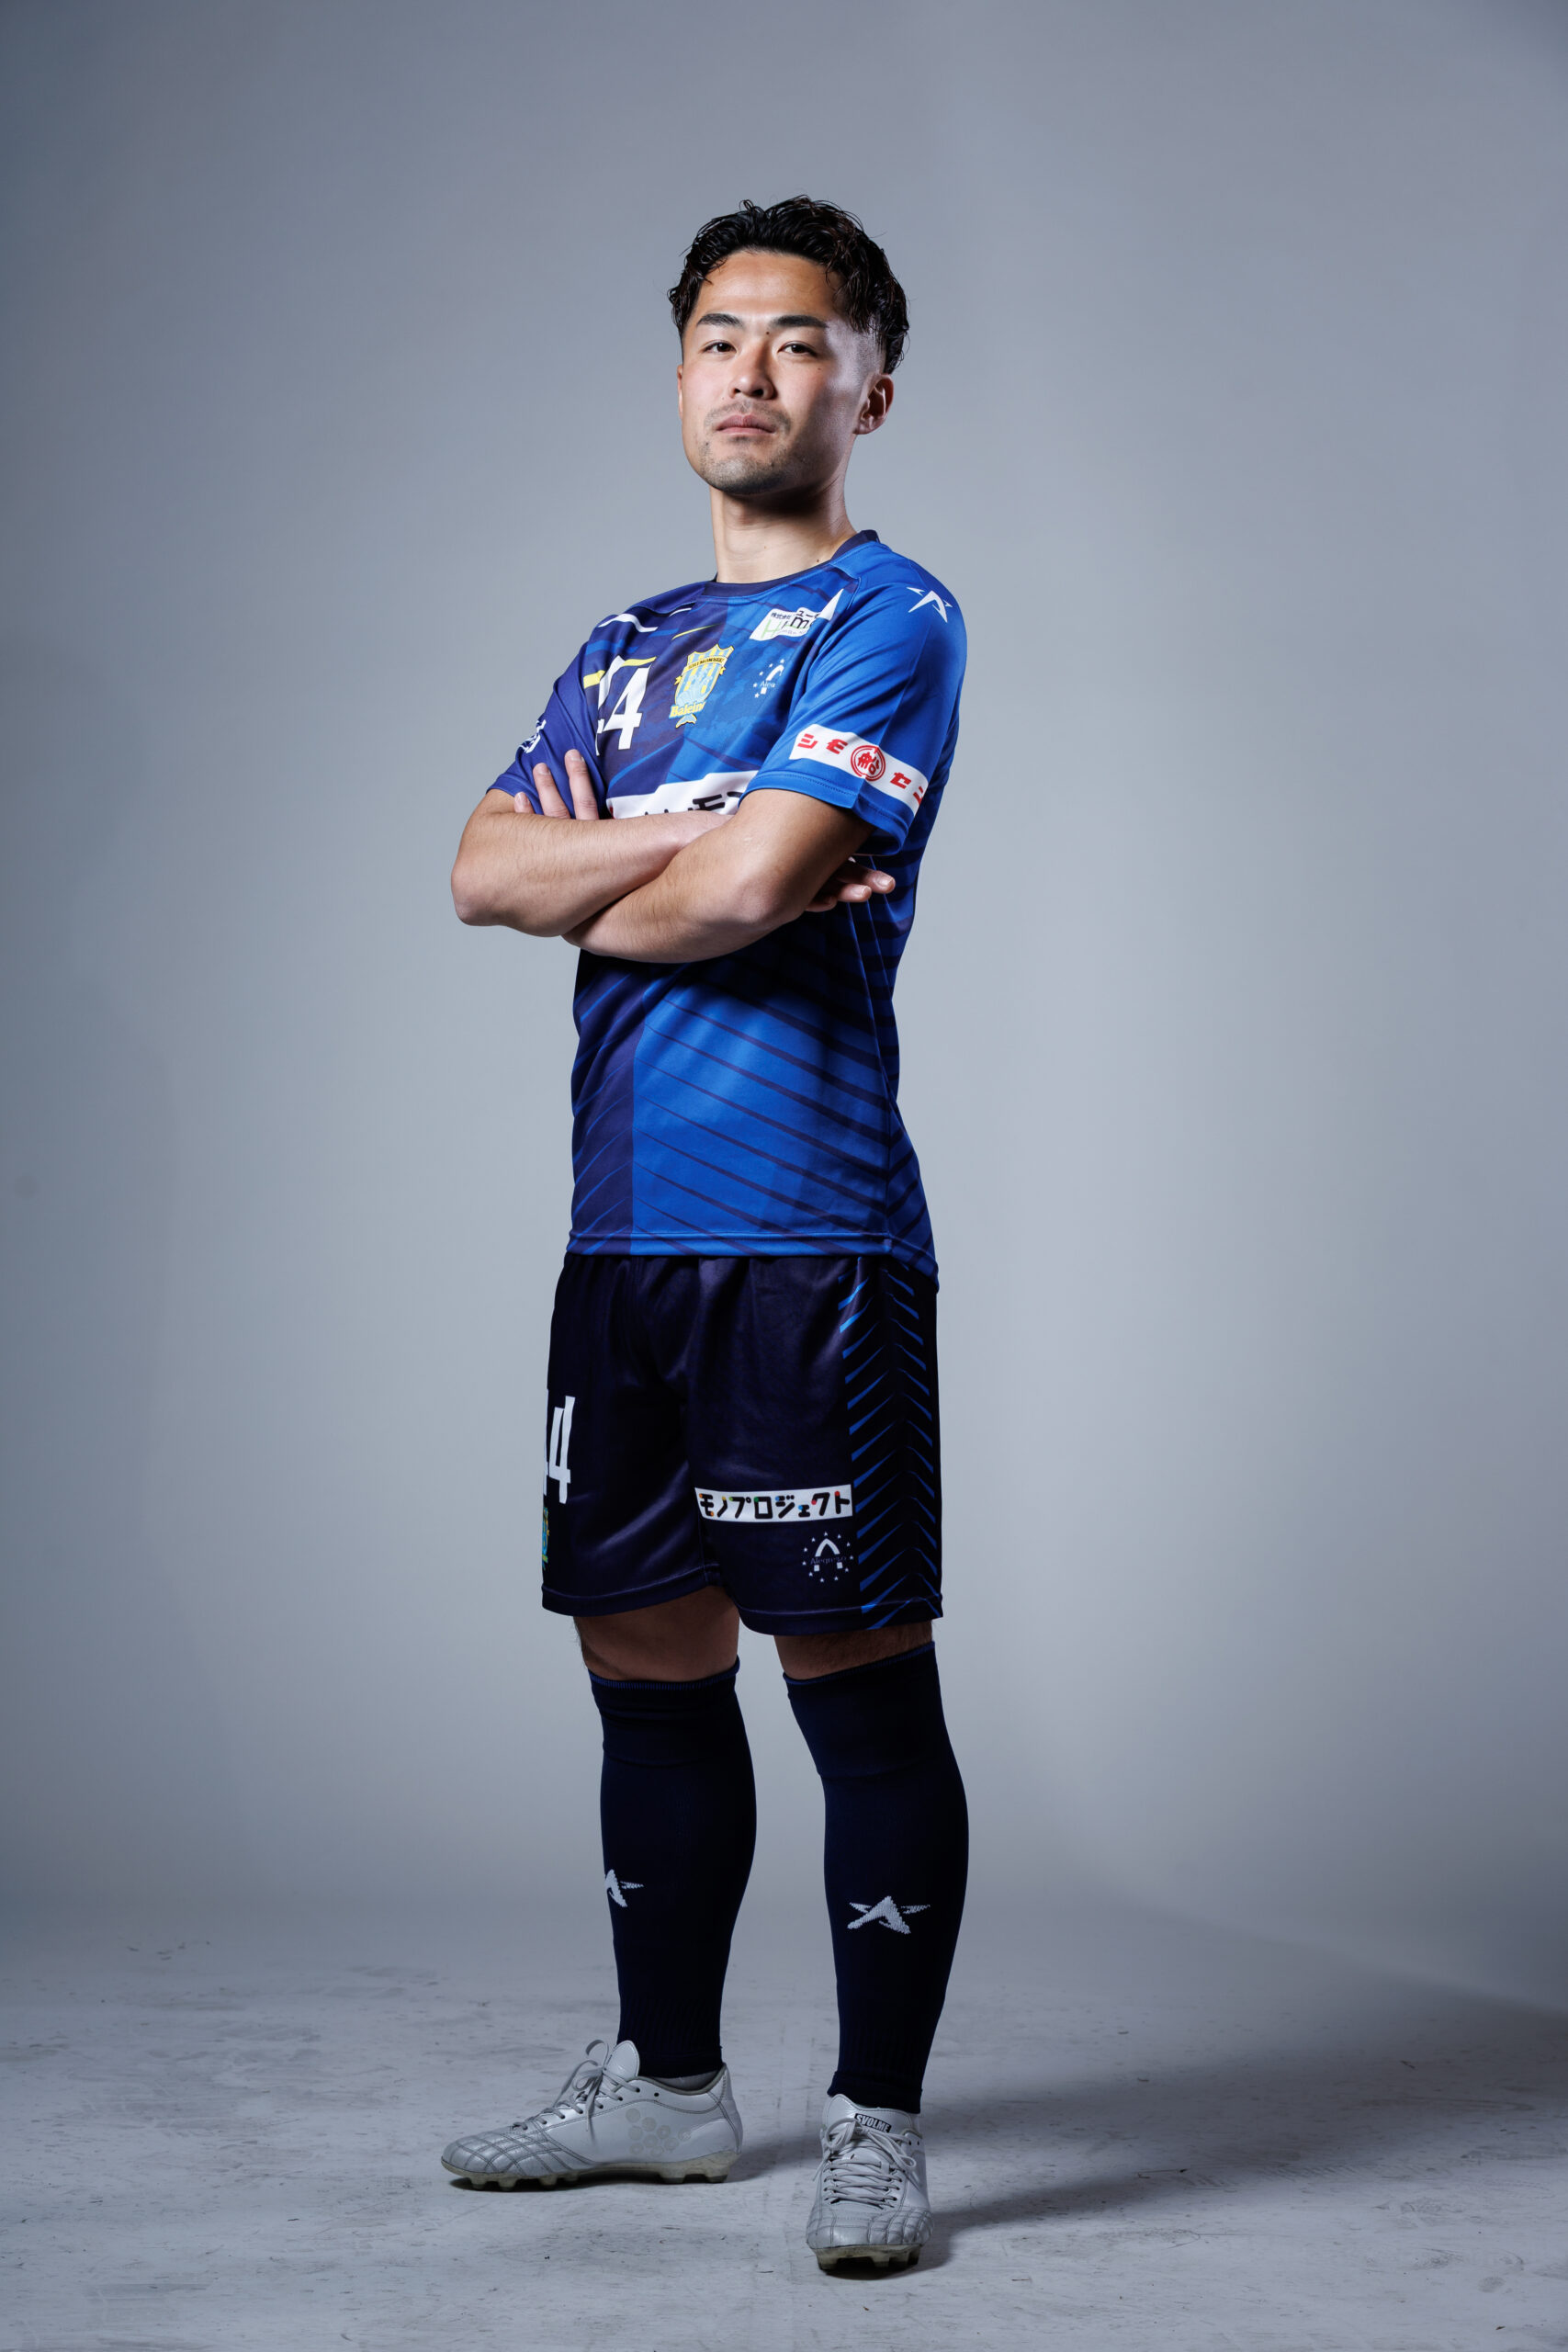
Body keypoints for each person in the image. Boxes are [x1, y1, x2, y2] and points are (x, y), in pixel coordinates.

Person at [441, 196, 968, 2273]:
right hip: (623, 1241)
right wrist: (697, 838)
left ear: (868, 390)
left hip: (811, 1238)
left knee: (853, 1674)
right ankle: (668, 2090)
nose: (753, 372)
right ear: (680, 374)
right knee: (643, 1661)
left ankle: (875, 2124)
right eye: (719, 337)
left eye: (800, 340)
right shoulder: (622, 647)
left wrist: (647, 862)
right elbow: (476, 870)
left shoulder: (892, 614)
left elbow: (742, 900)